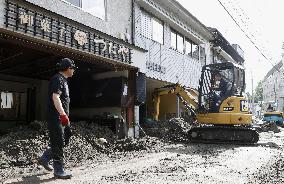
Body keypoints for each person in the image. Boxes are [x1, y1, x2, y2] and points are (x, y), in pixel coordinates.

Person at [38, 58, 77, 179]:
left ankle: (45, 158)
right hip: (56, 117)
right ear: (68, 68)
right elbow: (56, 97)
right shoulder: (57, 79)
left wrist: (65, 116)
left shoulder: (64, 80)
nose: (74, 71)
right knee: (58, 141)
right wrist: (62, 114)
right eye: (73, 68)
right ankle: (58, 170)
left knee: (66, 136)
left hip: (62, 116)